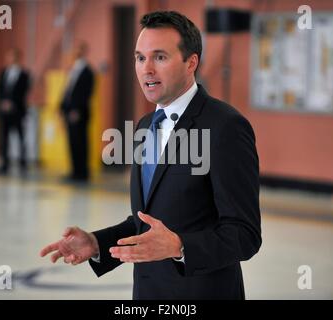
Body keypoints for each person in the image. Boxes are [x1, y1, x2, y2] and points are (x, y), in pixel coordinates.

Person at [41, 11, 261, 300]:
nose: (146, 69)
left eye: (159, 57)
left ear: (190, 62)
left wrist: (180, 246)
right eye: (140, 58)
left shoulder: (225, 126)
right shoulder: (146, 126)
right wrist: (97, 243)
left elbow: (245, 234)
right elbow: (148, 220)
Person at [60, 42, 94, 182]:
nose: (76, 52)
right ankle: (74, 171)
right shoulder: (73, 70)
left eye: (79, 49)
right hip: (70, 112)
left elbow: (86, 94)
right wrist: (62, 107)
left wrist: (77, 110)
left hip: (79, 113)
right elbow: (69, 91)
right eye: (75, 49)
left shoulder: (87, 71)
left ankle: (82, 172)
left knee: (81, 142)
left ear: (84, 51)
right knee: (72, 142)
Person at [0, 48, 31, 174]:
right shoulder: (4, 73)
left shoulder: (24, 74)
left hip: (18, 111)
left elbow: (23, 92)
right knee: (4, 138)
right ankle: (4, 163)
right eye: (8, 56)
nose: (10, 59)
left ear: (17, 57)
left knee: (21, 137)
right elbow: (0, 91)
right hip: (5, 111)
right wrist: (3, 103)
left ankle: (23, 163)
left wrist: (12, 103)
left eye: (12, 56)